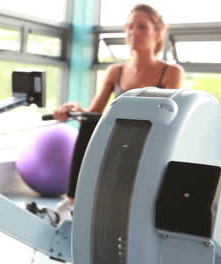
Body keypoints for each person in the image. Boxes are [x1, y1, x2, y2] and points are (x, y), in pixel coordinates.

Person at [53, 4, 184, 221]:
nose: (134, 32)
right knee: (88, 122)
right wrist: (73, 109)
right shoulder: (116, 71)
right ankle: (74, 200)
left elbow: (171, 118)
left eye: (142, 27)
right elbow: (94, 113)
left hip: (152, 140)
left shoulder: (170, 72)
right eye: (130, 27)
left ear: (157, 34)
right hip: (120, 138)